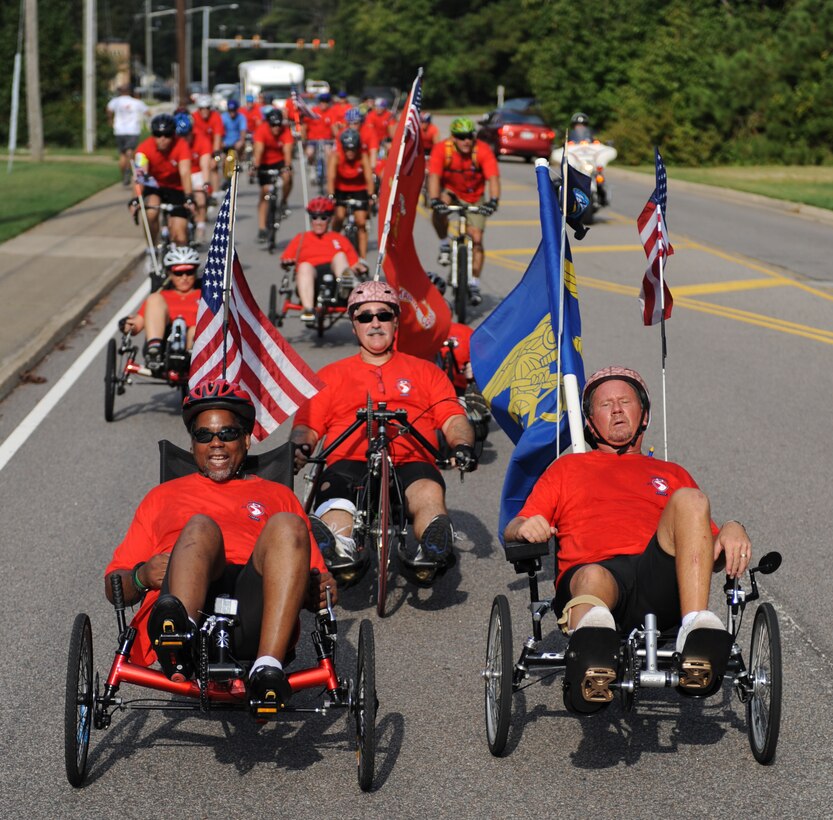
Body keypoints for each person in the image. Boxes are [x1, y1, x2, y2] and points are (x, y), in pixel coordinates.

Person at [503, 366, 752, 712]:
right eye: (605, 405)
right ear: (590, 423)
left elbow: (709, 552)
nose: (617, 410)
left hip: (658, 578)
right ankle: (593, 656)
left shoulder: (672, 472)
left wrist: (731, 527)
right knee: (593, 576)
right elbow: (514, 526)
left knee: (691, 499)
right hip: (595, 575)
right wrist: (525, 527)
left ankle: (695, 631)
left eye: (625, 401)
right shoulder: (566, 469)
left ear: (644, 414)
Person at [104, 379, 336, 708]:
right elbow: (115, 585)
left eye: (227, 433)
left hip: (255, 610)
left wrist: (323, 589)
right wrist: (141, 576)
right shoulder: (161, 497)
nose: (216, 443)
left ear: (245, 439)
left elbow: (320, 586)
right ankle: (178, 645)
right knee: (199, 526)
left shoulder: (278, 495)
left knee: (287, 524)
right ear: (193, 443)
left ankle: (267, 668)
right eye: (204, 435)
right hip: (189, 605)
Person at [291, 281, 477, 585]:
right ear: (354, 326)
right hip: (347, 459)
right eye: (365, 317)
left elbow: (453, 418)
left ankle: (433, 546)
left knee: (428, 492)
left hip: (411, 459)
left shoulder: (427, 372)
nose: (375, 323)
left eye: (383, 315)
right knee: (337, 497)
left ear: (395, 321)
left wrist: (462, 445)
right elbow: (307, 427)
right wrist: (298, 449)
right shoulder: (330, 375)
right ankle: (336, 546)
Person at [427, 116, 500, 306]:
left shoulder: (482, 150)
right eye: (461, 137)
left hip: (475, 195)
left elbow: (493, 178)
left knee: (476, 239)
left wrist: (493, 201)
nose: (466, 141)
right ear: (453, 137)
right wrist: (434, 200)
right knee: (439, 207)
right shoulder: (442, 149)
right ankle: (444, 243)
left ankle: (474, 282)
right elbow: (434, 176)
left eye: (469, 136)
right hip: (451, 192)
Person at [280, 197, 366, 324]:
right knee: (304, 266)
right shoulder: (301, 238)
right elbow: (286, 260)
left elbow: (354, 263)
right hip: (310, 278)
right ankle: (308, 309)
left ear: (329, 219)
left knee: (340, 256)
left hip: (335, 279)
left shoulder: (338, 238)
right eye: (315, 218)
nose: (318, 222)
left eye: (323, 218)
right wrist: (286, 262)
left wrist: (361, 267)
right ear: (311, 219)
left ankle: (346, 284)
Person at [119, 245, 202, 372]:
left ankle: (191, 358)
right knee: (154, 298)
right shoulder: (161, 295)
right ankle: (154, 350)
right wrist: (128, 326)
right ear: (170, 274)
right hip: (165, 343)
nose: (184, 277)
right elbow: (138, 323)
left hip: (195, 345)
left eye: (189, 272)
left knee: (195, 329)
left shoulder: (204, 294)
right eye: (178, 273)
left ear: (195, 272)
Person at [132, 113, 194, 249]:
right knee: (151, 211)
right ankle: (152, 248)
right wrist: (136, 198)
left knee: (180, 236)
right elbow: (140, 176)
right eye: (158, 135)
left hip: (176, 188)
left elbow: (185, 172)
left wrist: (189, 196)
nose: (162, 139)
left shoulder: (181, 145)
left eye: (167, 135)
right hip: (155, 187)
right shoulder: (144, 148)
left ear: (173, 135)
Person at [327, 128, 374, 263]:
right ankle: (332, 248)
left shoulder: (363, 156)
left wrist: (371, 195)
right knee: (340, 216)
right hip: (341, 189)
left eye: (353, 149)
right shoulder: (336, 156)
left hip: (359, 189)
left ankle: (363, 259)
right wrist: (331, 195)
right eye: (347, 149)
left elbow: (369, 178)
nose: (350, 153)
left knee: (361, 222)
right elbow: (331, 177)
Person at [252, 108, 294, 242]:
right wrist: (256, 166)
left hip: (280, 162)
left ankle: (284, 201)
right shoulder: (262, 130)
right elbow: (258, 150)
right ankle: (262, 227)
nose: (276, 128)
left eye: (278, 125)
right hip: (264, 163)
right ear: (268, 124)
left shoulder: (285, 131)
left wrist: (287, 166)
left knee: (288, 177)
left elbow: (287, 151)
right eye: (273, 125)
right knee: (265, 192)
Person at [174, 112, 211, 244]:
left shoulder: (201, 140)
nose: (184, 139)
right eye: (180, 136)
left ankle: (200, 227)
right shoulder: (174, 144)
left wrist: (206, 183)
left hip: (196, 172)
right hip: (178, 174)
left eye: (186, 135)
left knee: (200, 197)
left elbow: (205, 164)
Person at [106, 85, 149, 186]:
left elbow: (108, 110)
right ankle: (129, 171)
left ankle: (124, 175)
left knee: (122, 155)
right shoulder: (136, 102)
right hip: (133, 130)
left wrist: (110, 120)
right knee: (130, 152)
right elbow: (148, 112)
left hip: (119, 130)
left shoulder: (115, 101)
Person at [192, 95, 225, 193]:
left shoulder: (216, 117)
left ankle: (215, 192)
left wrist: (215, 156)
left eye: (207, 108)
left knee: (213, 166)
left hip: (212, 148)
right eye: (202, 108)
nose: (204, 111)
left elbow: (217, 137)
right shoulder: (194, 117)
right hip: (198, 148)